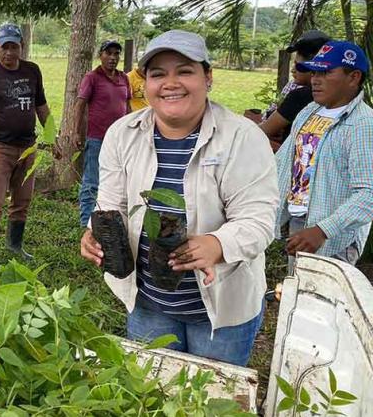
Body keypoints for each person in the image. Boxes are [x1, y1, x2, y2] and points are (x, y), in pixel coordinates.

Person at [80, 30, 278, 366]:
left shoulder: (242, 138)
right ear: (146, 84)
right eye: (158, 74)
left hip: (222, 312)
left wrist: (217, 244)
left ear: (208, 77)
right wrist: (95, 232)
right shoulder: (122, 134)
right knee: (153, 394)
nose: (171, 83)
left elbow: (259, 220)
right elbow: (111, 205)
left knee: (210, 399)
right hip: (148, 303)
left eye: (184, 71)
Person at [275, 40, 373, 273]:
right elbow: (283, 161)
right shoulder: (310, 111)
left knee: (323, 305)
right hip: (300, 225)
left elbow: (369, 193)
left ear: (354, 77)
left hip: (334, 238)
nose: (315, 79)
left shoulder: (362, 124)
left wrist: (322, 231)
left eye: (326, 72)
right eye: (315, 71)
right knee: (299, 299)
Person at [0, 22, 50, 273]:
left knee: (22, 200)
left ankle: (15, 245)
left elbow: (41, 106)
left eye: (13, 47)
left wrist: (52, 135)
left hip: (28, 147)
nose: (9, 53)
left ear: (21, 47)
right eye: (4, 47)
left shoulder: (32, 71)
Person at [74, 40, 130, 227]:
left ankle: (110, 220)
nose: (113, 58)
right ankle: (85, 222)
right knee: (91, 180)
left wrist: (131, 129)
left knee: (118, 180)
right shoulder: (92, 77)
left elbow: (127, 106)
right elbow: (80, 105)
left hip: (121, 140)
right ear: (101, 55)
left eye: (116, 54)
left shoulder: (124, 78)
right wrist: (77, 133)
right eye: (109, 53)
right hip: (97, 137)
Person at [259, 31, 331, 150]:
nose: (293, 70)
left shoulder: (300, 96)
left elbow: (264, 130)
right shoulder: (338, 95)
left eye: (298, 66)